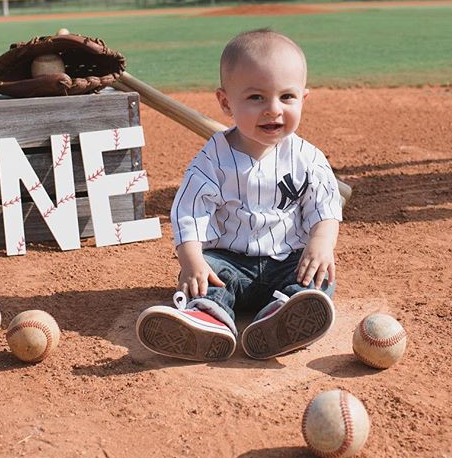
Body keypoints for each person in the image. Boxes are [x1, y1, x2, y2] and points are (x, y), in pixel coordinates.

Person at [136, 28, 342, 362]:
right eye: (256, 97)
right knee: (205, 277)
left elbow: (325, 209)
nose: (273, 109)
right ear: (225, 102)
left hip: (288, 261)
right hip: (229, 263)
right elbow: (189, 214)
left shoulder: (308, 158)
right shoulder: (212, 158)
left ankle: (283, 316)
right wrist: (192, 262)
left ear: (303, 99)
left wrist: (321, 244)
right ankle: (208, 318)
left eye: (286, 97)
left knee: (319, 276)